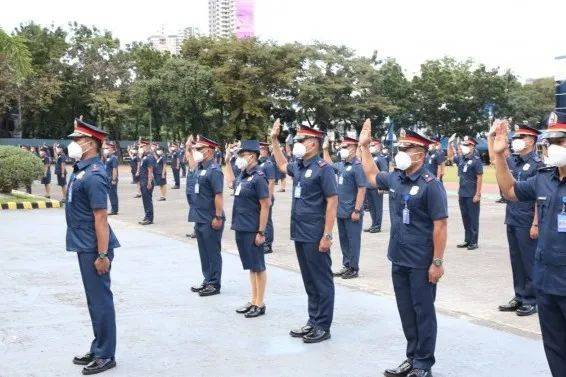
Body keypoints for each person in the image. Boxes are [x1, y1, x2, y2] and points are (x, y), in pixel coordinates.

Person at [359, 120, 448, 377]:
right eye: (400, 148)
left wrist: (437, 262)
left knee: (423, 313)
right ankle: (411, 358)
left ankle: (423, 364)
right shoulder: (397, 178)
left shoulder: (431, 184)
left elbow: (440, 226)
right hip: (398, 257)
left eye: (405, 149)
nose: (400, 153)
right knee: (407, 312)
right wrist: (364, 147)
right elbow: (372, 176)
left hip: (422, 261)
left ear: (419, 154)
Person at [491, 115, 566, 377]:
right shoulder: (545, 178)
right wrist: (499, 157)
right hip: (546, 282)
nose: (553, 146)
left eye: (560, 141)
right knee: (555, 348)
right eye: (551, 141)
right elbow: (510, 191)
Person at [270, 119, 338, 343]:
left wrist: (327, 234)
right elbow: (281, 165)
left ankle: (323, 326)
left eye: (302, 140)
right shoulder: (299, 165)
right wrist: (274, 140)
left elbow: (332, 202)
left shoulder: (323, 169)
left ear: (314, 144)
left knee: (321, 280)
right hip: (299, 230)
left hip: (316, 233)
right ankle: (313, 320)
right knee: (309, 280)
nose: (298, 143)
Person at [65, 118, 120, 375]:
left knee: (101, 300)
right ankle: (98, 346)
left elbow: (101, 217)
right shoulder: (82, 170)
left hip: (94, 247)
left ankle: (106, 354)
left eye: (76, 140)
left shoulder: (95, 174)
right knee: (93, 300)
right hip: (84, 243)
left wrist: (102, 254)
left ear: (90, 143)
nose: (72, 144)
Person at [488, 124, 541, 316]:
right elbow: (496, 158)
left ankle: (531, 299)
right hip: (512, 216)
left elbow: (538, 196)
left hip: (528, 218)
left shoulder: (538, 164)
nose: (517, 139)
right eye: (517, 136)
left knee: (529, 261)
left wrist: (536, 223)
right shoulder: (515, 161)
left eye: (523, 137)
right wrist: (491, 135)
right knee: (516, 259)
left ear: (532, 141)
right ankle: (519, 295)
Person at [231, 140, 271, 317]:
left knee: (258, 266)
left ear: (252, 156)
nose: (239, 158)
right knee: (251, 266)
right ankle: (253, 299)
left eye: (242, 155)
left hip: (253, 228)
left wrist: (261, 231)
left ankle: (260, 303)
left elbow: (265, 205)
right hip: (241, 225)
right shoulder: (243, 175)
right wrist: (226, 161)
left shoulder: (259, 176)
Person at [323, 136, 367, 279]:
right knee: (344, 240)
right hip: (341, 210)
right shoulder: (342, 165)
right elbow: (328, 164)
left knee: (353, 241)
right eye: (342, 147)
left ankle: (354, 268)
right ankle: (346, 264)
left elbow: (362, 188)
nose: (342, 150)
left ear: (354, 149)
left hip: (352, 211)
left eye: (345, 147)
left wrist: (357, 210)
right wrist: (325, 149)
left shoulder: (357, 166)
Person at [186, 135, 225, 297]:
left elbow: (218, 195)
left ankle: (214, 283)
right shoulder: (200, 168)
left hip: (211, 218)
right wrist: (188, 148)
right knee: (204, 252)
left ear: (208, 151)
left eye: (199, 149)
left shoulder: (214, 170)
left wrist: (218, 217)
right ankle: (207, 279)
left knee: (212, 251)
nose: (196, 152)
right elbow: (190, 161)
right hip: (199, 217)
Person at [447, 135, 483, 250]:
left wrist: (478, 194)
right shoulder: (462, 158)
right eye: (464, 145)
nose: (465, 147)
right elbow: (451, 157)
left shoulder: (476, 160)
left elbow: (479, 177)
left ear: (472, 146)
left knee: (473, 218)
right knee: (465, 218)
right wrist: (449, 144)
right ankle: (467, 240)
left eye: (467, 145)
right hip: (462, 193)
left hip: (472, 194)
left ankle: (474, 241)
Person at [365, 140, 389, 233]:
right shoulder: (371, 158)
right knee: (371, 207)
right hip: (369, 185)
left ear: (378, 146)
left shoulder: (380, 158)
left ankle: (377, 225)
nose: (371, 147)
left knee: (377, 207)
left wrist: (381, 187)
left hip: (377, 186)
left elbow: (384, 172)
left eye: (373, 145)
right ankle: (373, 224)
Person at [259, 142, 276, 254]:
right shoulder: (261, 163)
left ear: (265, 150)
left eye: (261, 149)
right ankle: (262, 240)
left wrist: (269, 197)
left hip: (266, 196)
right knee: (261, 219)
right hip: (260, 196)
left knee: (267, 220)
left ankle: (268, 244)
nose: (259, 151)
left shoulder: (268, 164)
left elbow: (271, 181)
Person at [138, 138, 156, 225]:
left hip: (147, 181)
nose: (141, 148)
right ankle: (146, 216)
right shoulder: (144, 156)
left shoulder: (149, 157)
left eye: (142, 146)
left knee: (148, 200)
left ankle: (149, 218)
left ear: (147, 146)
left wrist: (149, 182)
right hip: (143, 180)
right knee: (145, 200)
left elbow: (150, 171)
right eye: (140, 146)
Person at [103, 142, 119, 215]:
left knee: (113, 194)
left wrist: (114, 179)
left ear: (112, 149)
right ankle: (114, 208)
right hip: (108, 178)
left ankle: (114, 210)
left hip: (111, 179)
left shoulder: (114, 158)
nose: (106, 150)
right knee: (111, 194)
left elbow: (114, 169)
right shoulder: (109, 157)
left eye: (107, 148)